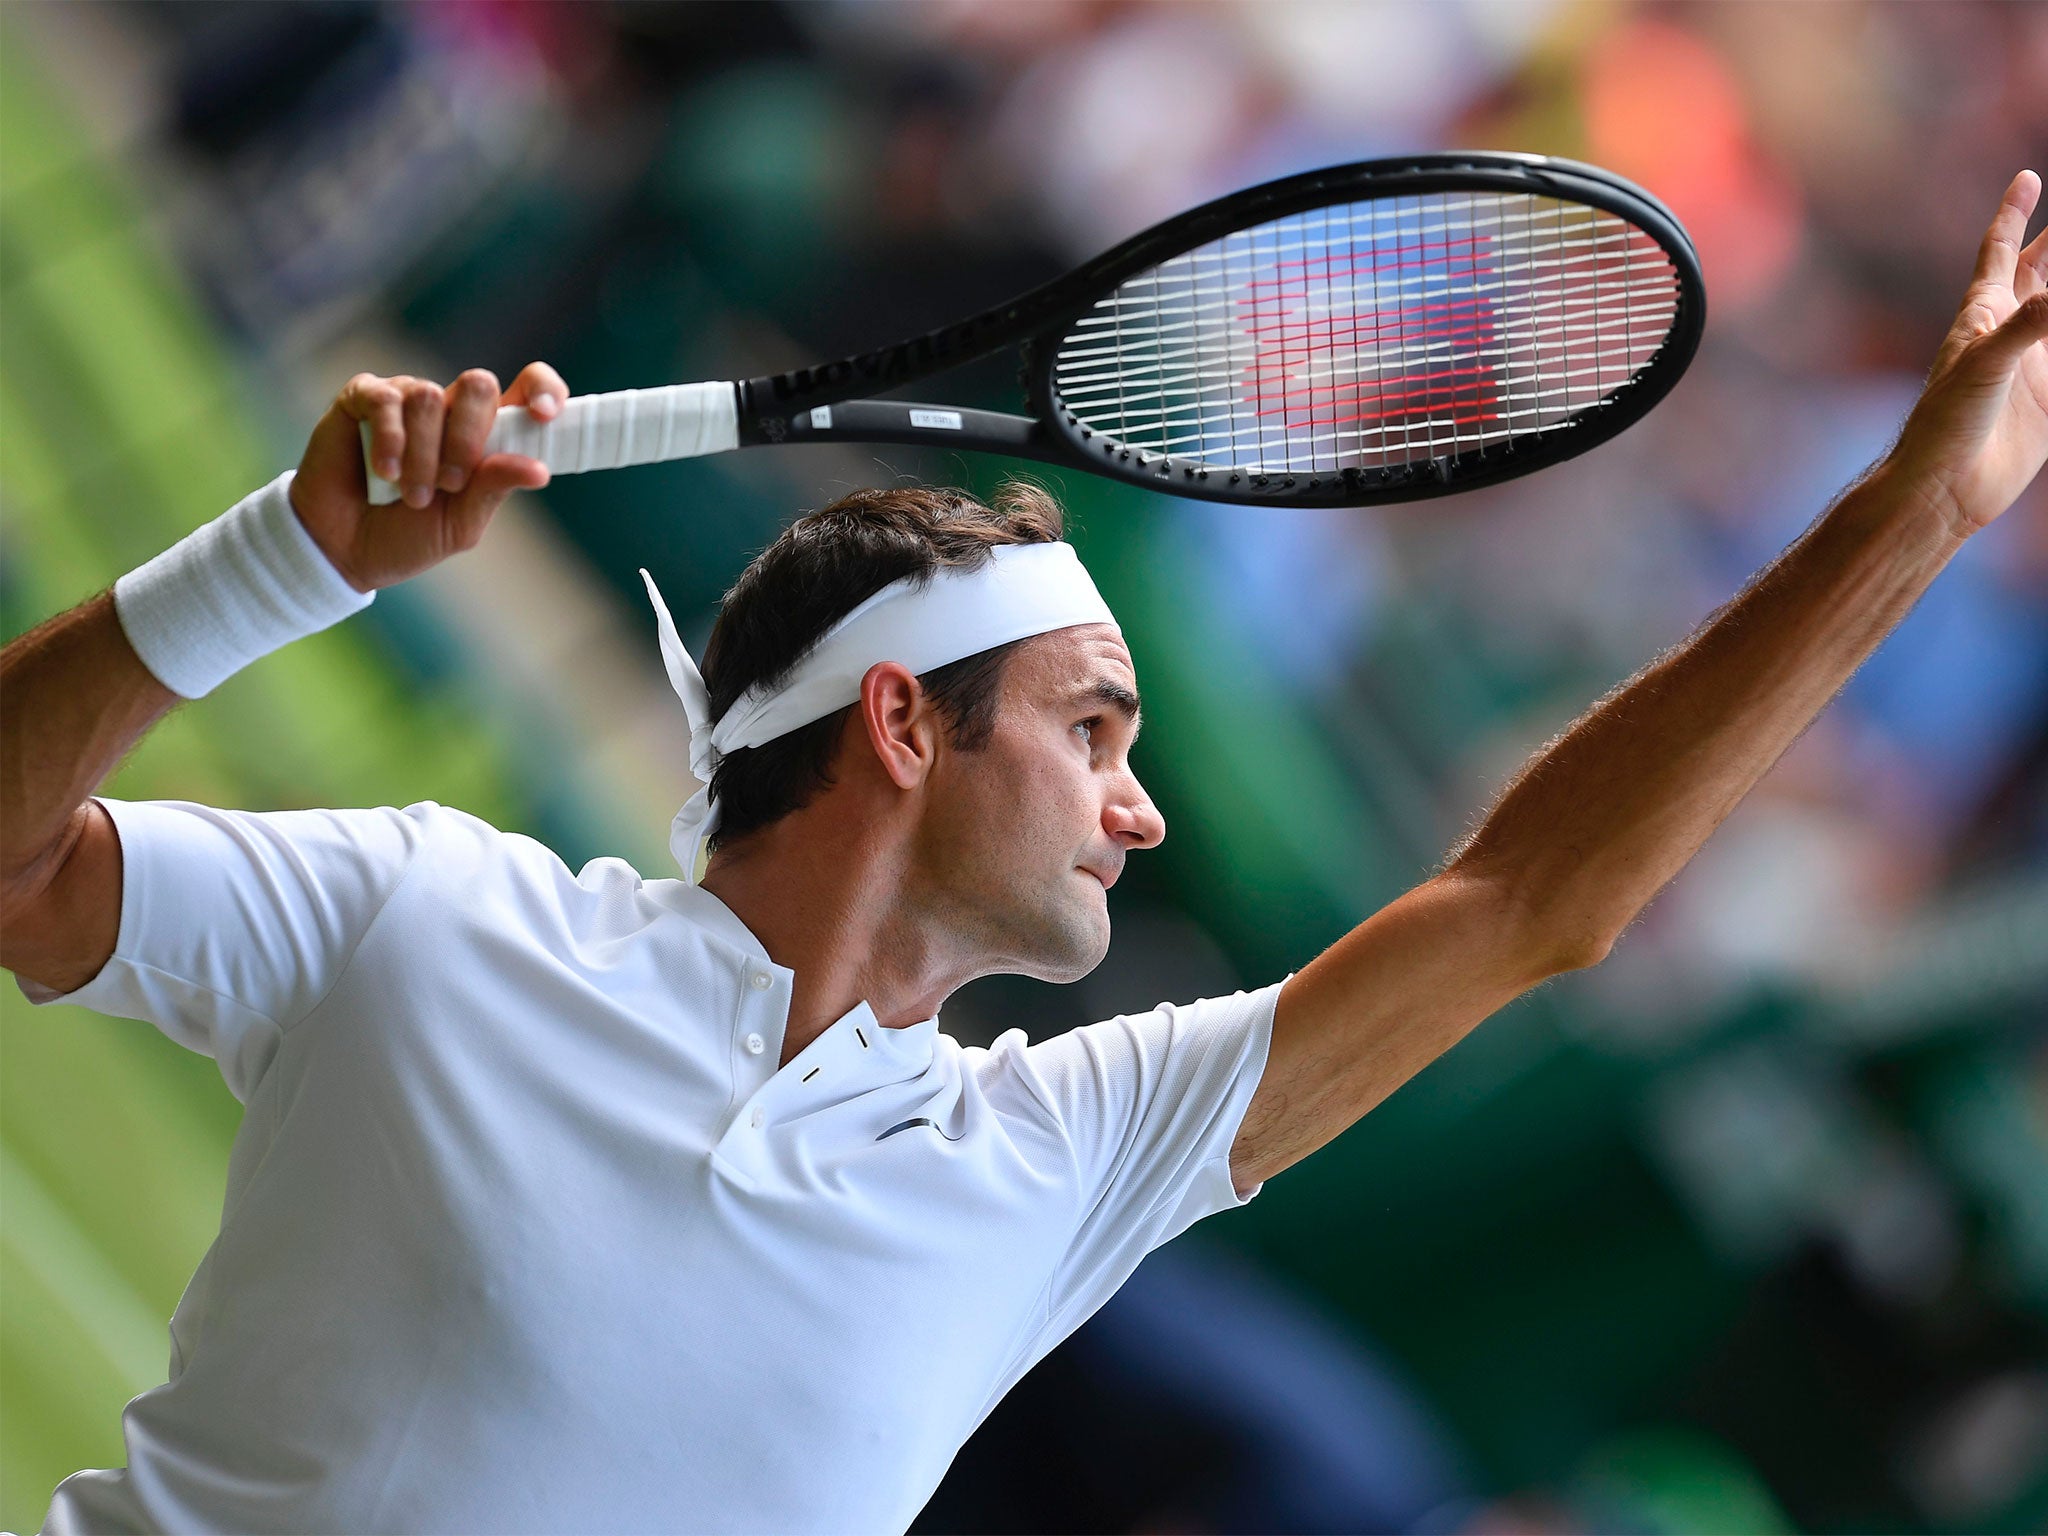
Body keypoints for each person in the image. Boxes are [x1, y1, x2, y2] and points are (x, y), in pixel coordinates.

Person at [3, 169, 2043, 1533]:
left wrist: (1915, 517)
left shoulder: (1056, 1167)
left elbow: (1528, 902)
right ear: (901, 724)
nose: (1143, 810)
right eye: (1095, 732)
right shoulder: (428, 911)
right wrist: (276, 562)